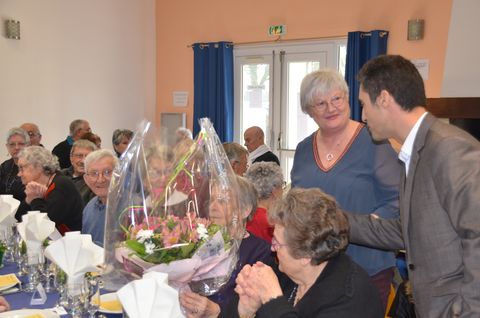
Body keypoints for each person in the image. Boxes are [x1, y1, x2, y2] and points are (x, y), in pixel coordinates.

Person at [347, 54, 480, 317]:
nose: (362, 116)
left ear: (384, 99)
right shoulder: (416, 151)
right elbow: (407, 231)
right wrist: (338, 221)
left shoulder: (448, 148)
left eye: (363, 104)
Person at [290, 69, 401, 307]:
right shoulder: (302, 150)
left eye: (336, 99)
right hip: (315, 269)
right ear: (309, 111)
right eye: (320, 103)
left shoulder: (375, 142)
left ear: (347, 98)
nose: (331, 108)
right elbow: (297, 203)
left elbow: (397, 200)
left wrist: (362, 227)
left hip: (367, 265)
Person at [224, 187, 383, 318]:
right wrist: (245, 310)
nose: (272, 248)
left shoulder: (350, 297)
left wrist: (271, 298)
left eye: (277, 243)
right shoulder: (286, 273)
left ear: (305, 255)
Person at [180, 176, 273, 316]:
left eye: (222, 201)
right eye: (211, 200)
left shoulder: (261, 252)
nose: (213, 207)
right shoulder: (196, 240)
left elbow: (259, 307)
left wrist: (218, 311)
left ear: (245, 210)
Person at [16, 146, 83, 234]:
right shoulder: (37, 187)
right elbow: (18, 217)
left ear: (38, 167)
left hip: (71, 244)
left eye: (22, 168)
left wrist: (36, 200)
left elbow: (44, 227)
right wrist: (28, 200)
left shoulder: (61, 185)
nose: (19, 174)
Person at [82, 149, 119, 247]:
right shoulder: (89, 208)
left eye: (107, 172)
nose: (101, 179)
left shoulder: (133, 208)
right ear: (86, 179)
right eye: (94, 173)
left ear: (119, 175)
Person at [244, 162, 284, 243]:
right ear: (274, 191)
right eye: (282, 186)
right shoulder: (271, 223)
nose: (283, 191)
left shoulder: (243, 214)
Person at [60, 139, 97, 205]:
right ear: (71, 158)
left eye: (88, 157)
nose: (83, 161)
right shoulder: (60, 175)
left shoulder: (95, 181)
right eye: (79, 156)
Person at [0, 128, 30, 202]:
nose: (16, 147)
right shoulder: (5, 166)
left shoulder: (34, 166)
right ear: (7, 147)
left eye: (21, 144)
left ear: (28, 145)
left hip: (27, 210)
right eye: (12, 144)